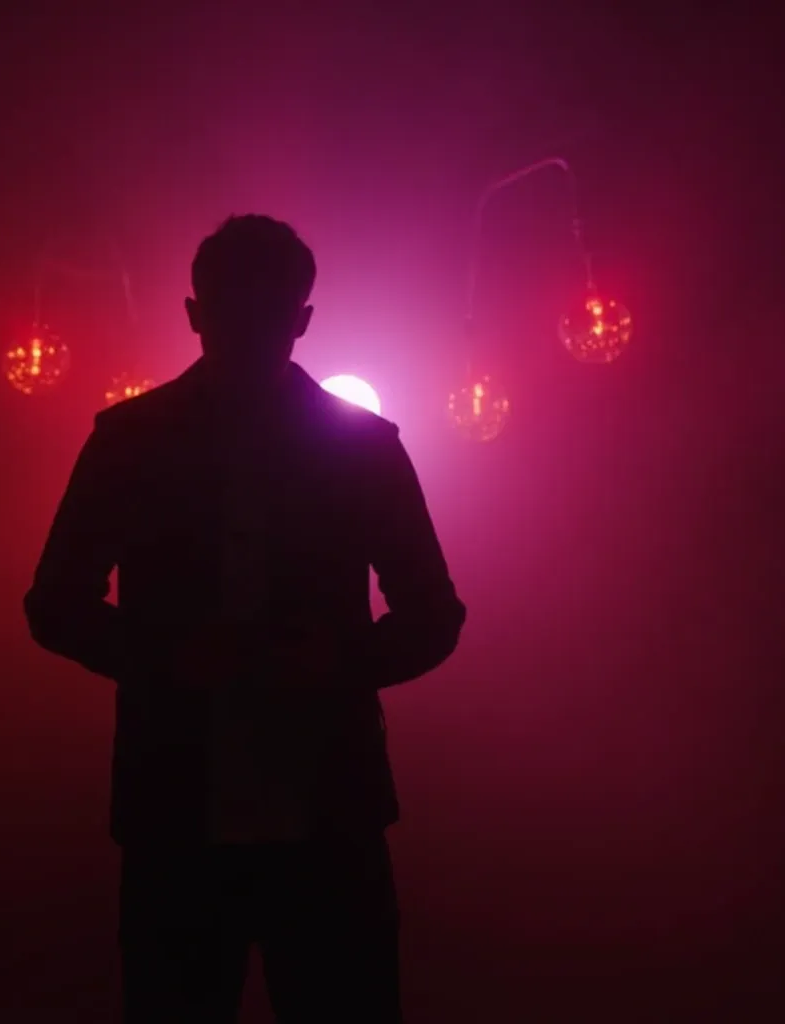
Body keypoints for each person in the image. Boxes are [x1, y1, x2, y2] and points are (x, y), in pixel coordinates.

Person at [24, 214, 465, 1023]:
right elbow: (434, 616)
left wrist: (168, 659)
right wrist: (337, 664)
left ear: (194, 313)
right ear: (305, 318)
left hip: (181, 820)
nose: (252, 335)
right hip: (324, 820)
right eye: (244, 314)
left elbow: (55, 606)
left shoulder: (131, 441)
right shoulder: (361, 446)